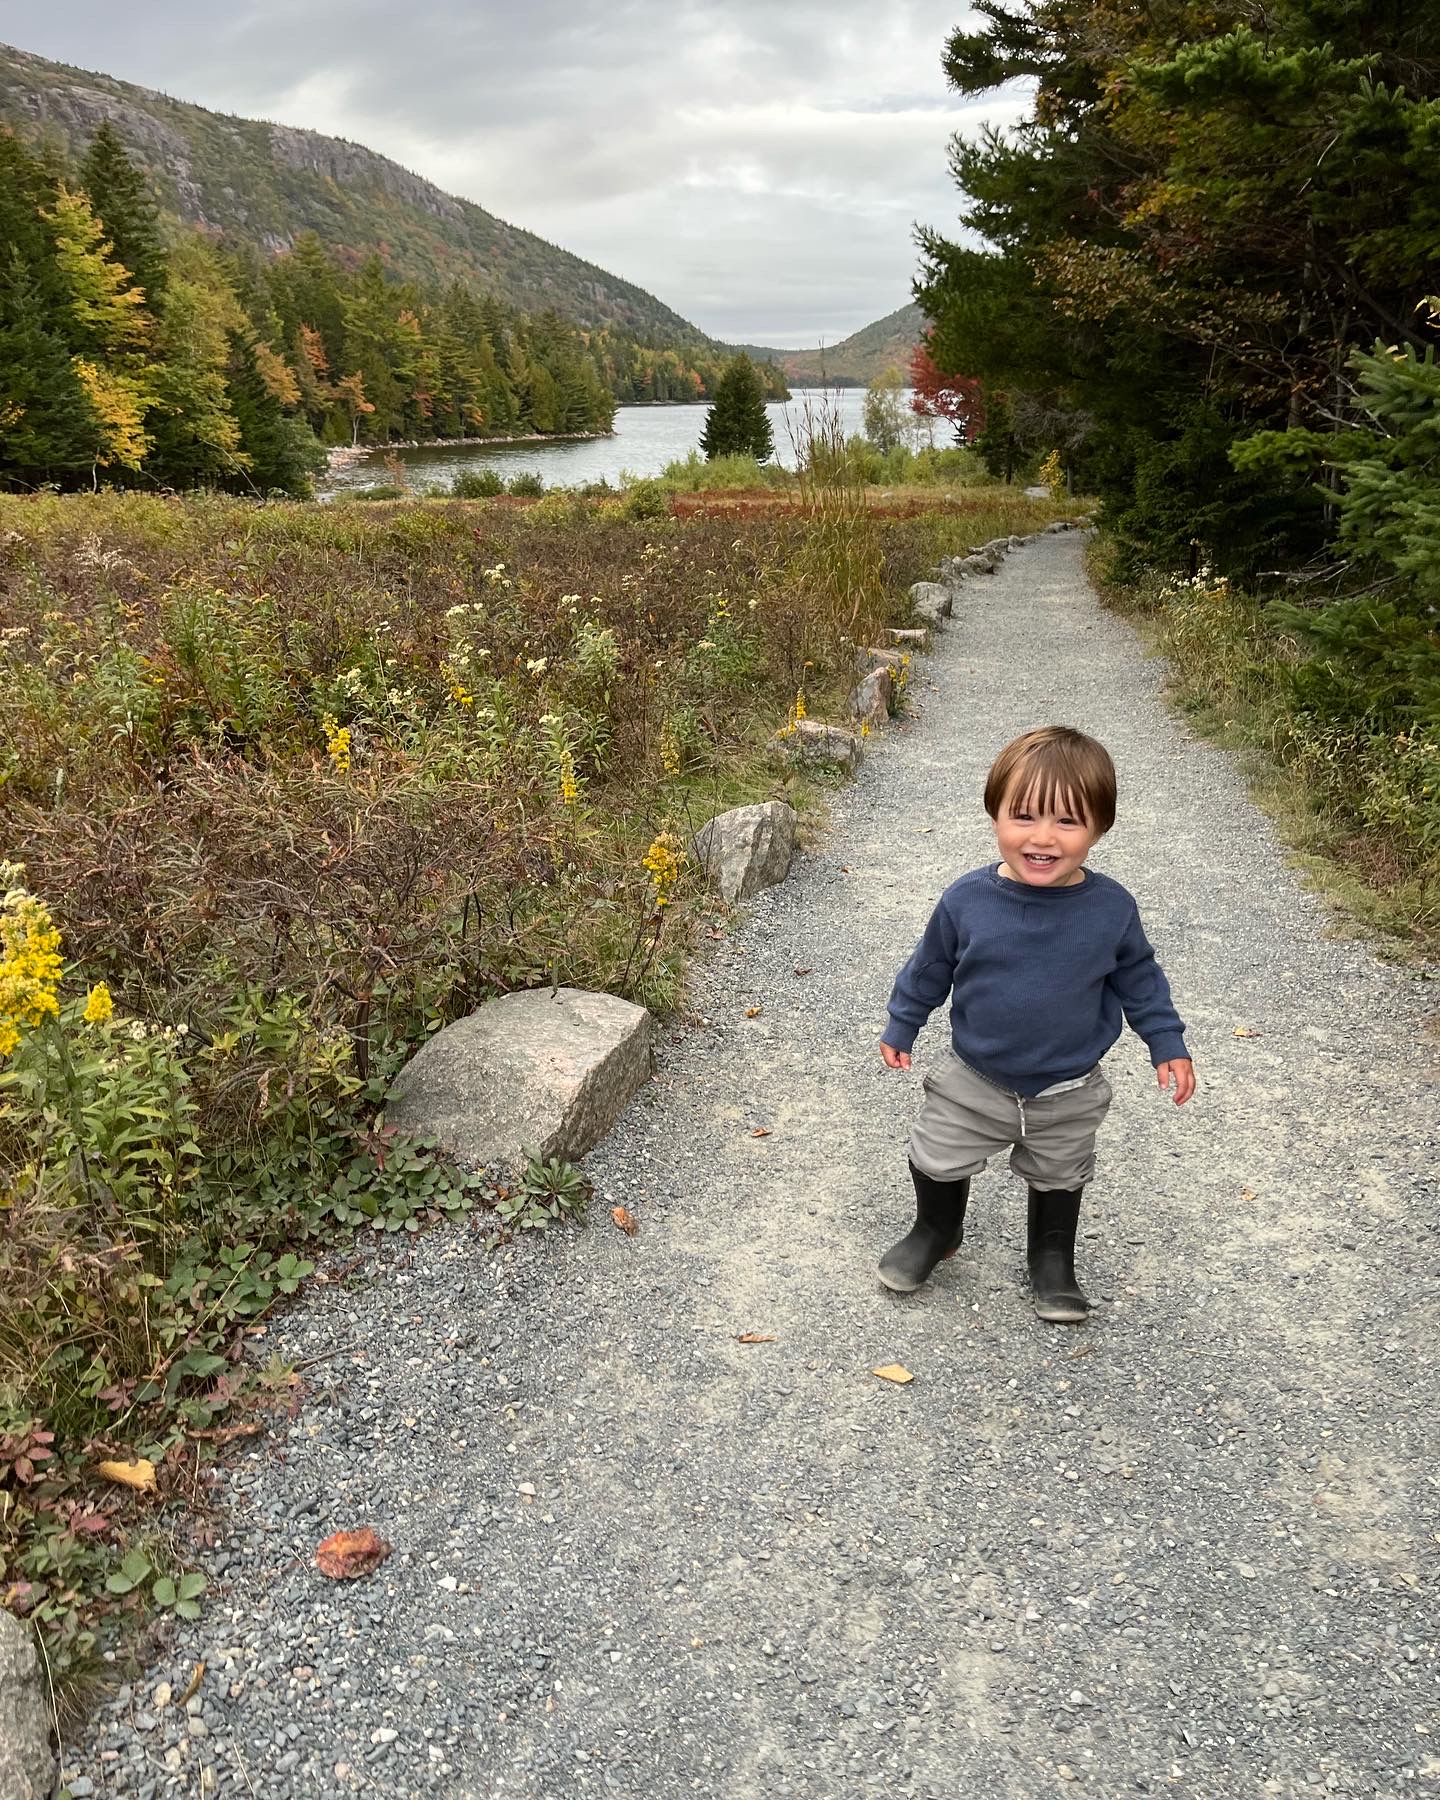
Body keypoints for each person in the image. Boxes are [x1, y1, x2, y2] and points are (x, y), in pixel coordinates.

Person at [878, 725, 1195, 1322]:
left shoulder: (1111, 910)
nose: (1042, 837)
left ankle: (1052, 1260)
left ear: (1101, 827)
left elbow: (1141, 982)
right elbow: (929, 967)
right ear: (993, 812)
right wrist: (903, 1023)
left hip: (1067, 1088)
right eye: (1022, 816)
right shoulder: (966, 901)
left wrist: (1166, 1042)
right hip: (974, 1077)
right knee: (937, 1155)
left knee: (1060, 1173)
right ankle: (936, 1231)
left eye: (1068, 822)